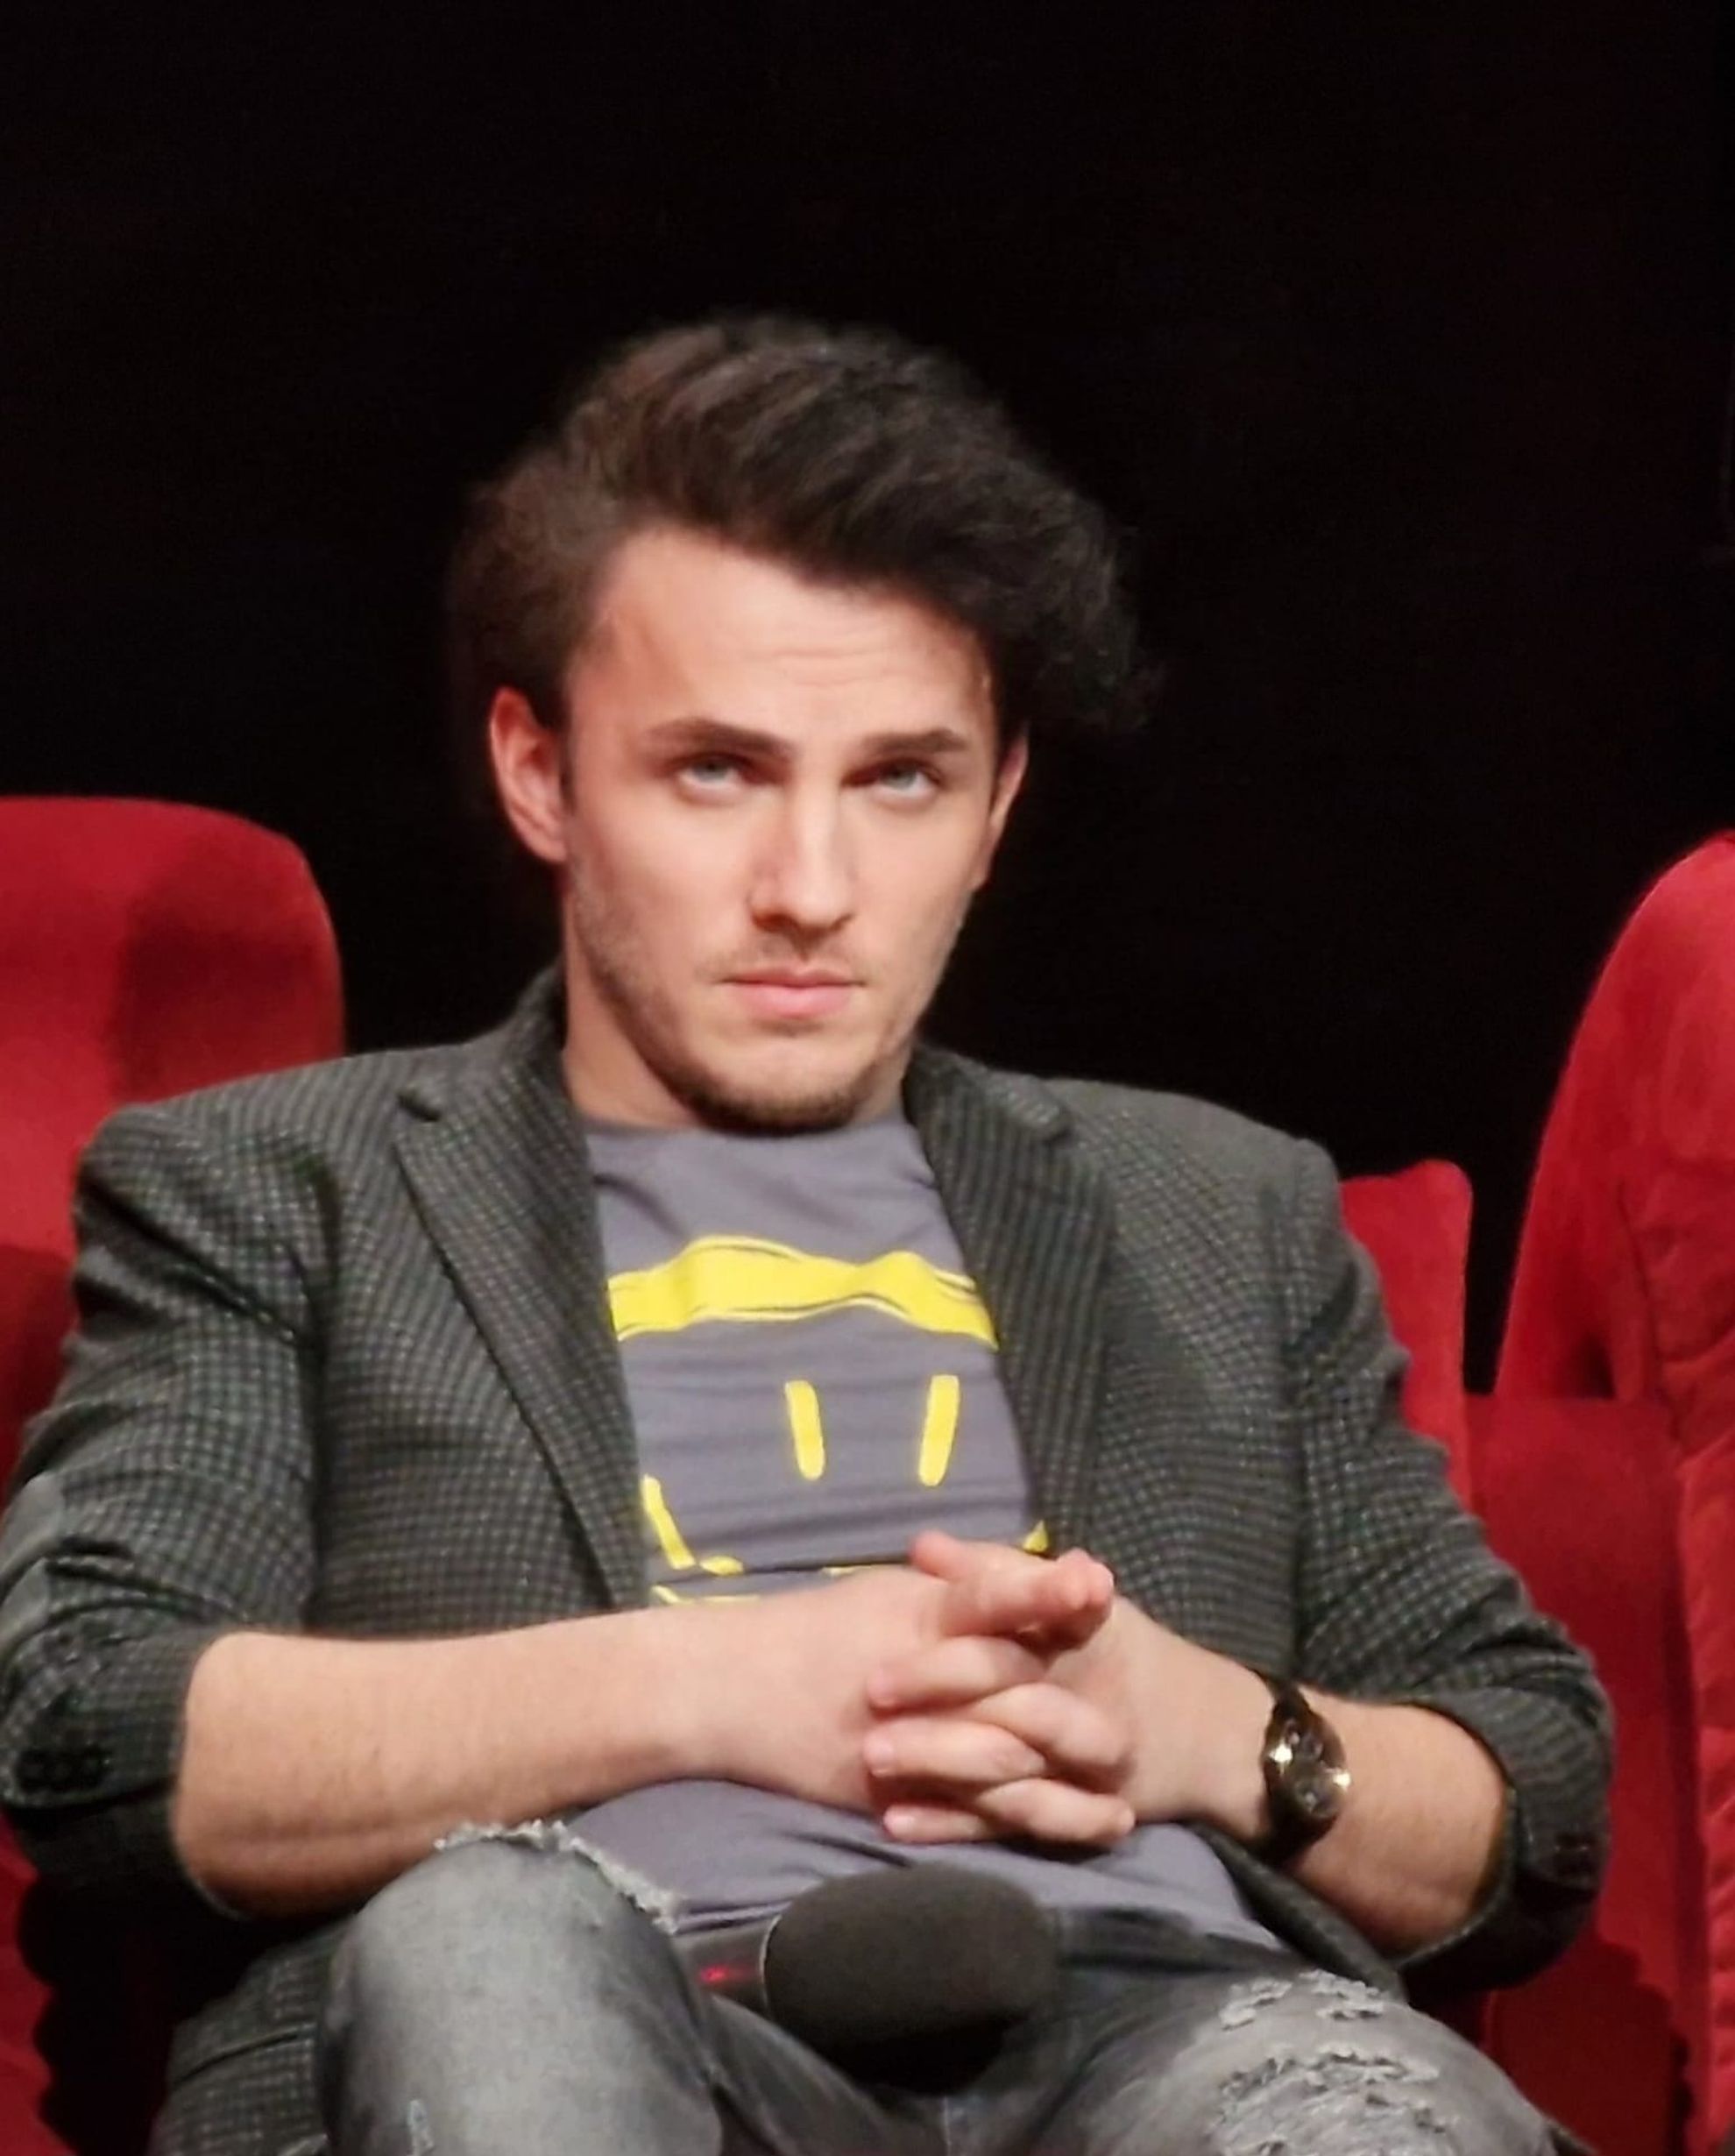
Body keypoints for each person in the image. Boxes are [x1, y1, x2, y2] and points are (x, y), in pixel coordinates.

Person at [0, 316, 1608, 2156]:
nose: (812, 892)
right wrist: (712, 1684)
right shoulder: (286, 1189)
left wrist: (1213, 1733)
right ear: (540, 773)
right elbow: (91, 1722)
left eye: (900, 778)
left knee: (1356, 2096)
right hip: (591, 2024)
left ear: (997, 804)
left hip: (1169, 2047)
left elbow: (1533, 1789)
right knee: (485, 1934)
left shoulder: (1214, 1209)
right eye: (717, 771)